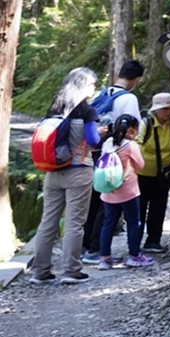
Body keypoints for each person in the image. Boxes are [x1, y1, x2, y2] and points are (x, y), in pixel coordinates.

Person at [27, 68, 104, 285]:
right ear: (83, 85)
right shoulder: (86, 111)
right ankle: (71, 271)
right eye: (92, 84)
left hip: (52, 172)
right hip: (78, 171)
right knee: (74, 223)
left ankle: (40, 272)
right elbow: (92, 140)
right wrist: (101, 132)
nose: (94, 88)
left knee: (47, 222)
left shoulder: (55, 108)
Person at [82, 60, 144, 264]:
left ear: (119, 73)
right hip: (117, 157)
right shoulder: (129, 98)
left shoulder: (103, 93)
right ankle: (96, 249)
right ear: (136, 79)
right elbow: (134, 131)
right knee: (107, 205)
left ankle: (87, 245)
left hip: (97, 152)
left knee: (96, 200)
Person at [97, 114, 153, 270]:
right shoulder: (130, 145)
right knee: (133, 222)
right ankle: (134, 256)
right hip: (128, 190)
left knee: (108, 224)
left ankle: (104, 258)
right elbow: (140, 165)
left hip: (108, 190)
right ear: (132, 129)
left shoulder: (108, 142)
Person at [135, 92, 170, 253]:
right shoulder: (146, 124)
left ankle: (153, 241)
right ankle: (135, 241)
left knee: (159, 208)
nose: (168, 112)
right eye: (165, 109)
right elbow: (137, 144)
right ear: (156, 110)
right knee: (139, 208)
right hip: (142, 173)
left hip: (163, 174)